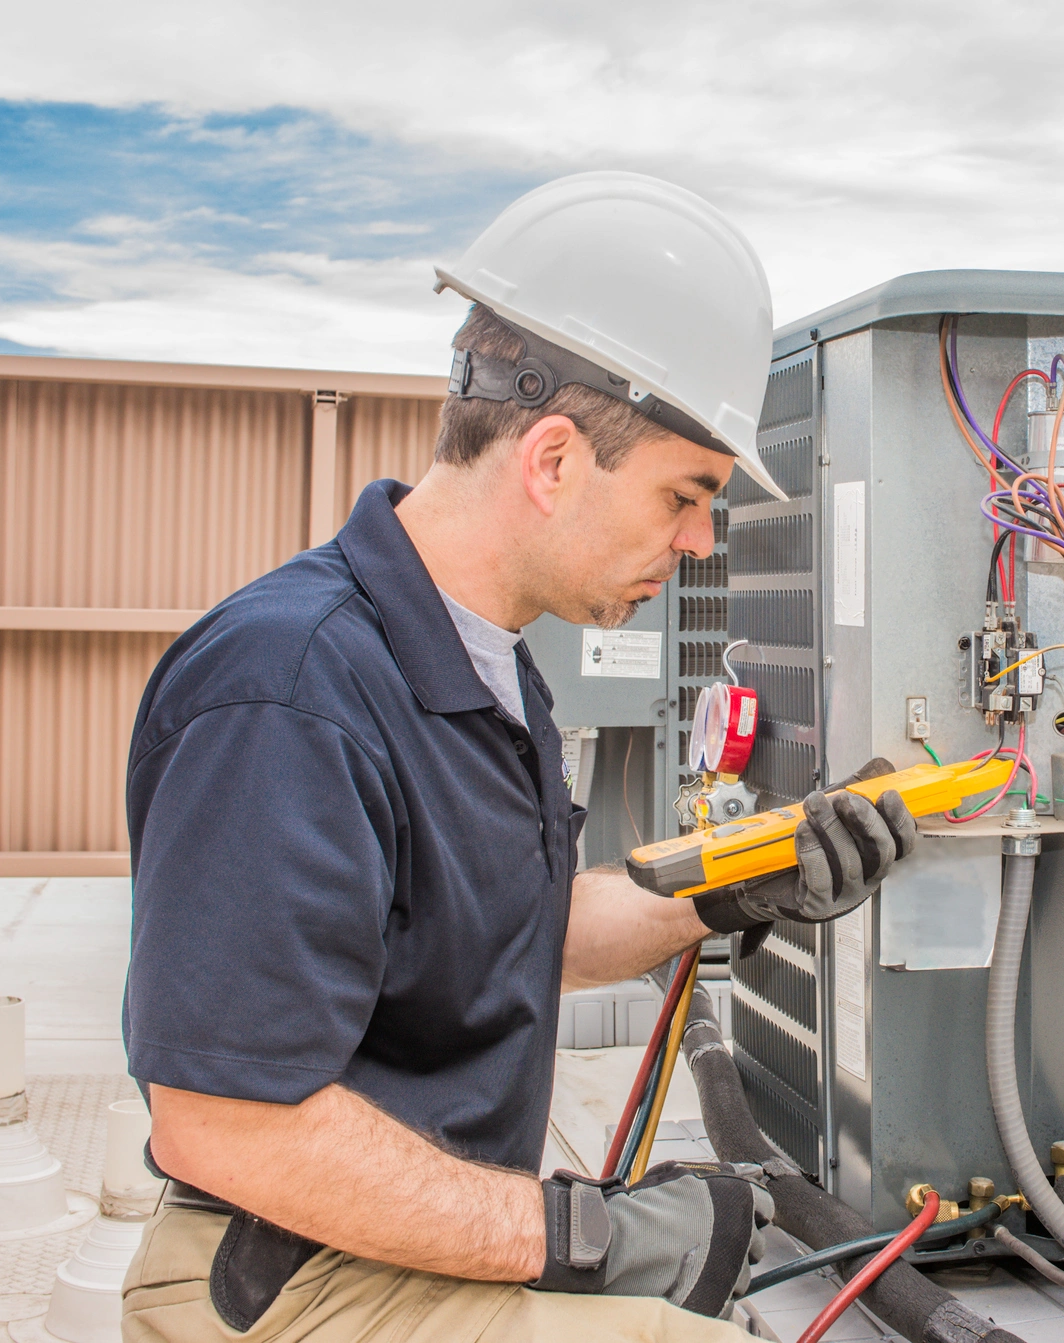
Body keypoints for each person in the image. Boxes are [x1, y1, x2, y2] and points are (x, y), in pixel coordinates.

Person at [119, 173, 917, 1343]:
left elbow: (516, 938)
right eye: (686, 494)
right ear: (551, 459)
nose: (699, 541)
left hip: (393, 1243)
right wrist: (576, 1234)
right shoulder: (289, 692)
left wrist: (745, 879)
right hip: (289, 1279)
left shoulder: (479, 665)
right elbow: (226, 1121)